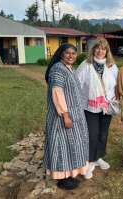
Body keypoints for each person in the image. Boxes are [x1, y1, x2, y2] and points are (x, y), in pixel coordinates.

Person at [43, 43, 89, 190]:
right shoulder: (58, 70)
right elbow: (57, 93)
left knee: (72, 145)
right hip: (62, 116)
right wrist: (65, 115)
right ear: (61, 54)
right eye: (67, 53)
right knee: (62, 146)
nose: (71, 56)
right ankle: (62, 178)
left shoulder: (69, 69)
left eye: (73, 53)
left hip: (74, 114)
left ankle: (70, 174)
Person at [76, 37, 118, 179]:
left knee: (103, 134)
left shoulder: (112, 66)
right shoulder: (85, 65)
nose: (100, 51)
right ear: (93, 49)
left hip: (106, 107)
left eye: (103, 48)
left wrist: (115, 99)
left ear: (107, 51)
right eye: (98, 48)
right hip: (89, 107)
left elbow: (116, 85)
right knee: (92, 135)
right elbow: (77, 85)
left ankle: (98, 157)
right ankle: (89, 162)